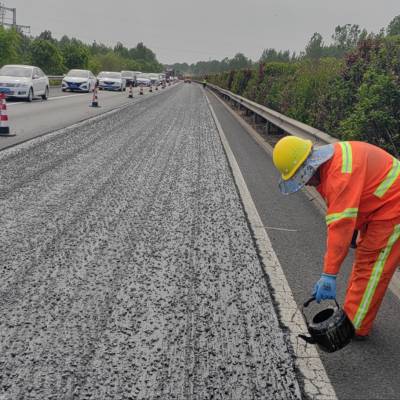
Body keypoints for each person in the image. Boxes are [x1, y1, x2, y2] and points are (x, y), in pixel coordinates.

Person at [272, 136, 400, 339]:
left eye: (302, 177)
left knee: (371, 266)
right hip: (378, 206)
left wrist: (329, 274)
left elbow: (339, 226)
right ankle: (354, 313)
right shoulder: (330, 164)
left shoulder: (339, 175)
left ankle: (355, 327)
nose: (306, 183)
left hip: (392, 208)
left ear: (308, 167)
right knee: (365, 263)